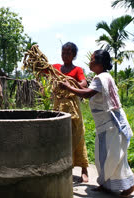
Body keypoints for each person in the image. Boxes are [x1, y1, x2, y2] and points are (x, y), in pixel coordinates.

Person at [59, 49, 134, 197]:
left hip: (112, 125)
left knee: (114, 157)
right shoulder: (102, 77)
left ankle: (129, 186)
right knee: (103, 157)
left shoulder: (101, 78)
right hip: (105, 125)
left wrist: (68, 87)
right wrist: (74, 82)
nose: (90, 61)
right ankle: (106, 184)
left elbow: (87, 94)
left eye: (93, 59)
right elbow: (87, 89)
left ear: (100, 63)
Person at [52, 42, 89, 182]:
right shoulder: (55, 68)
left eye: (68, 53)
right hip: (58, 106)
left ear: (73, 55)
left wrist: (72, 82)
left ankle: (84, 169)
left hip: (72, 106)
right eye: (63, 52)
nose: (65, 55)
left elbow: (84, 83)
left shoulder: (77, 70)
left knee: (77, 134)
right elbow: (41, 68)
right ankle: (62, 167)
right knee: (59, 136)